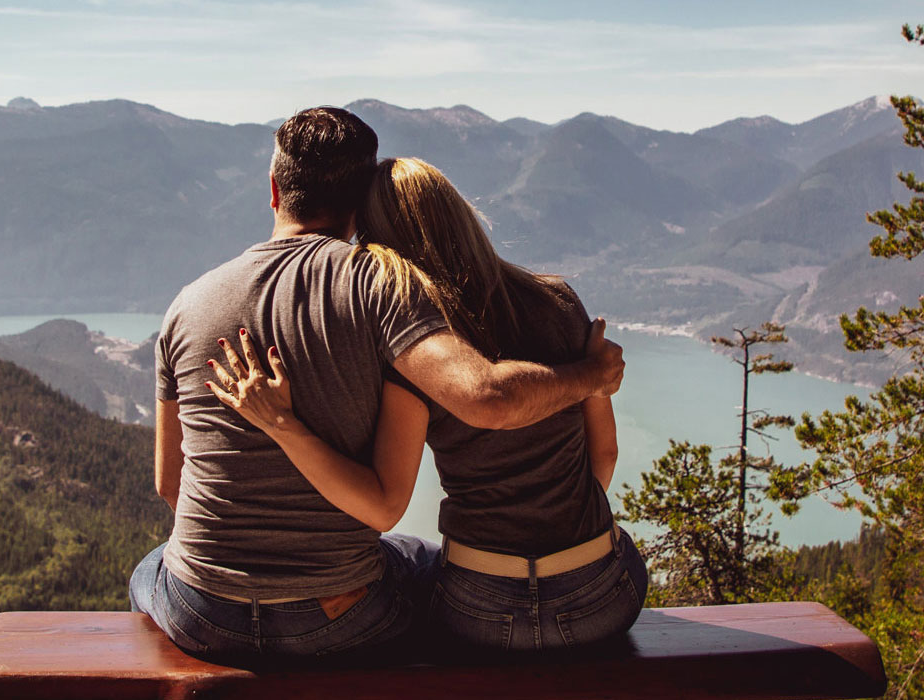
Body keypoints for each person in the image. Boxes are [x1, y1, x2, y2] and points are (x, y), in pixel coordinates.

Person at [131, 110, 624, 666]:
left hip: (203, 611)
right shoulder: (382, 289)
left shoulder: (185, 305)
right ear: (359, 203)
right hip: (340, 615)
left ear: (273, 190)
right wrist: (591, 377)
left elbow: (171, 486)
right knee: (413, 559)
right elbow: (480, 408)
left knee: (150, 568)